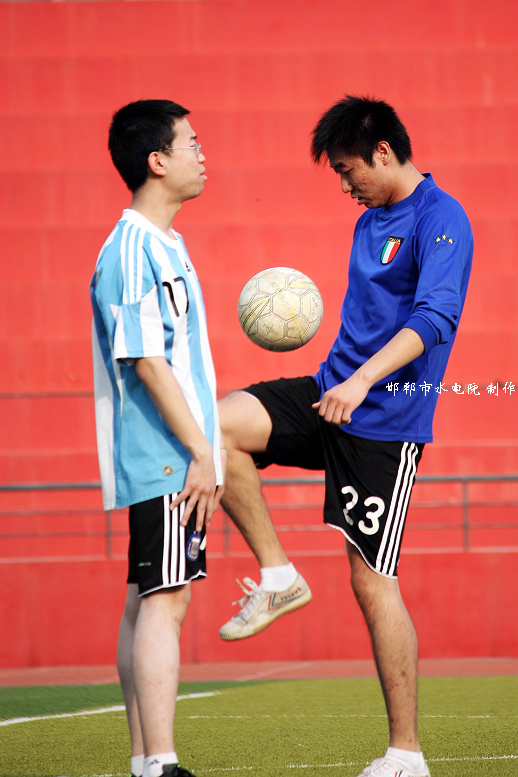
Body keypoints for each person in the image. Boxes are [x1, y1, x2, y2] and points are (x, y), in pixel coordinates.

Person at [218, 96, 473, 777]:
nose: (343, 184)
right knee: (217, 427)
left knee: (371, 580)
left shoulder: (442, 218)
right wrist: (345, 380)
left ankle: (406, 754)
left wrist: (362, 381)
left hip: (384, 424)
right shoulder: (368, 219)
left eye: (346, 169)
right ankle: (279, 575)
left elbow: (436, 317)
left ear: (383, 153)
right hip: (329, 393)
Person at [91, 99, 224, 777]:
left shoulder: (165, 243)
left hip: (174, 455)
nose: (202, 154)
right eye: (191, 143)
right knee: (166, 600)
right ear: (157, 161)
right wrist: (200, 450)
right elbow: (146, 359)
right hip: (168, 458)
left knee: (147, 598)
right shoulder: (133, 247)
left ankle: (146, 759)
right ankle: (161, 763)